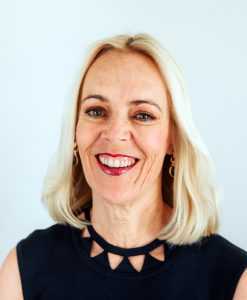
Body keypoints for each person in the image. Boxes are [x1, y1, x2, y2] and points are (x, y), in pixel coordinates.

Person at [0, 32, 247, 300]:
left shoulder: (233, 278)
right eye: (96, 111)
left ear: (173, 140)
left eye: (143, 115)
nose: (115, 134)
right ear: (74, 131)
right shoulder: (24, 268)